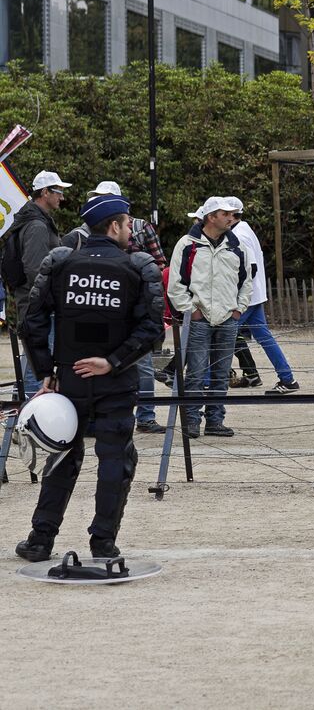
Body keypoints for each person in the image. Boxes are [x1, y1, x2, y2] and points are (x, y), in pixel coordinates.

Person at [14, 193, 164, 562]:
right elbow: (152, 330)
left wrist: (46, 372)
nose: (132, 229)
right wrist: (112, 361)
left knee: (61, 457)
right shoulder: (136, 267)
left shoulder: (62, 264)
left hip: (69, 380)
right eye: (129, 223)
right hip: (116, 381)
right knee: (116, 459)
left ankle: (40, 540)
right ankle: (103, 543)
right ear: (114, 226)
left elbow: (30, 323)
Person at [58, 181, 170, 434]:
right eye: (96, 197)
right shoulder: (79, 234)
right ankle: (88, 420)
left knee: (139, 364)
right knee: (85, 367)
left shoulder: (139, 228)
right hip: (89, 315)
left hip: (130, 315)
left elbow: (160, 262)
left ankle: (146, 415)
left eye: (104, 198)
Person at [166, 196, 251, 438]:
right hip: (199, 318)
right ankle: (192, 420)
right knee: (195, 372)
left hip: (227, 318)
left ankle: (215, 420)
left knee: (222, 373)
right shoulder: (187, 245)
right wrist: (191, 311)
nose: (230, 218)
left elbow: (246, 282)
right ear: (211, 217)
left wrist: (238, 309)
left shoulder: (237, 247)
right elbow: (176, 284)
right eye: (225, 214)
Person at [6, 170, 70, 399]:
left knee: (33, 364)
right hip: (38, 309)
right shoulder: (37, 226)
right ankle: (32, 424)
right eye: (58, 191)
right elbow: (36, 270)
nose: (62, 197)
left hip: (33, 306)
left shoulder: (33, 220)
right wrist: (53, 301)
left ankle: (24, 419)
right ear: (45, 192)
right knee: (39, 368)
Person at [225, 197, 299, 395]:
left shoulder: (238, 235)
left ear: (232, 215)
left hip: (246, 298)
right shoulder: (243, 229)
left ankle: (206, 380)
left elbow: (250, 268)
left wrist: (236, 296)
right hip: (254, 295)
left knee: (222, 336)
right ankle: (287, 378)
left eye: (224, 213)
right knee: (264, 338)